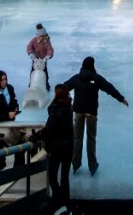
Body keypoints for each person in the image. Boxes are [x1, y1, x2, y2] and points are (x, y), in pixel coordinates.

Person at [61, 56, 129, 175]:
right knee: (91, 138)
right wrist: (121, 98)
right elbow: (109, 88)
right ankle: (92, 166)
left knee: (77, 138)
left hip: (78, 111)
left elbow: (64, 87)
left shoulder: (77, 78)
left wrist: (62, 98)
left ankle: (75, 164)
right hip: (91, 112)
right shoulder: (96, 78)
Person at [40, 85, 74, 214]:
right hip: (68, 147)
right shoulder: (68, 107)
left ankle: (59, 202)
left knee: (53, 177)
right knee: (64, 177)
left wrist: (36, 136)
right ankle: (65, 204)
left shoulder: (56, 110)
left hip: (57, 147)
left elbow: (49, 128)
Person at [26, 23, 54, 89]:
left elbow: (50, 49)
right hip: (35, 59)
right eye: (39, 36)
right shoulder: (34, 40)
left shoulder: (46, 41)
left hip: (43, 59)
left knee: (44, 72)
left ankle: (46, 84)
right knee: (33, 71)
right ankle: (31, 84)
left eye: (42, 36)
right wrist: (31, 53)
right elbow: (29, 46)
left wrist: (48, 56)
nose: (40, 37)